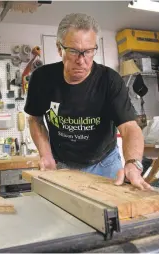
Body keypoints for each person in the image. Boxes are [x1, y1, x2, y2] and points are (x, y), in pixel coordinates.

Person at [24, 13, 152, 190]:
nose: (82, 60)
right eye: (74, 51)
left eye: (89, 51)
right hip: (62, 164)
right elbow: (35, 119)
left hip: (105, 164)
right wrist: (45, 155)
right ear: (59, 48)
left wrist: (133, 163)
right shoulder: (42, 79)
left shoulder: (110, 80)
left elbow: (129, 126)